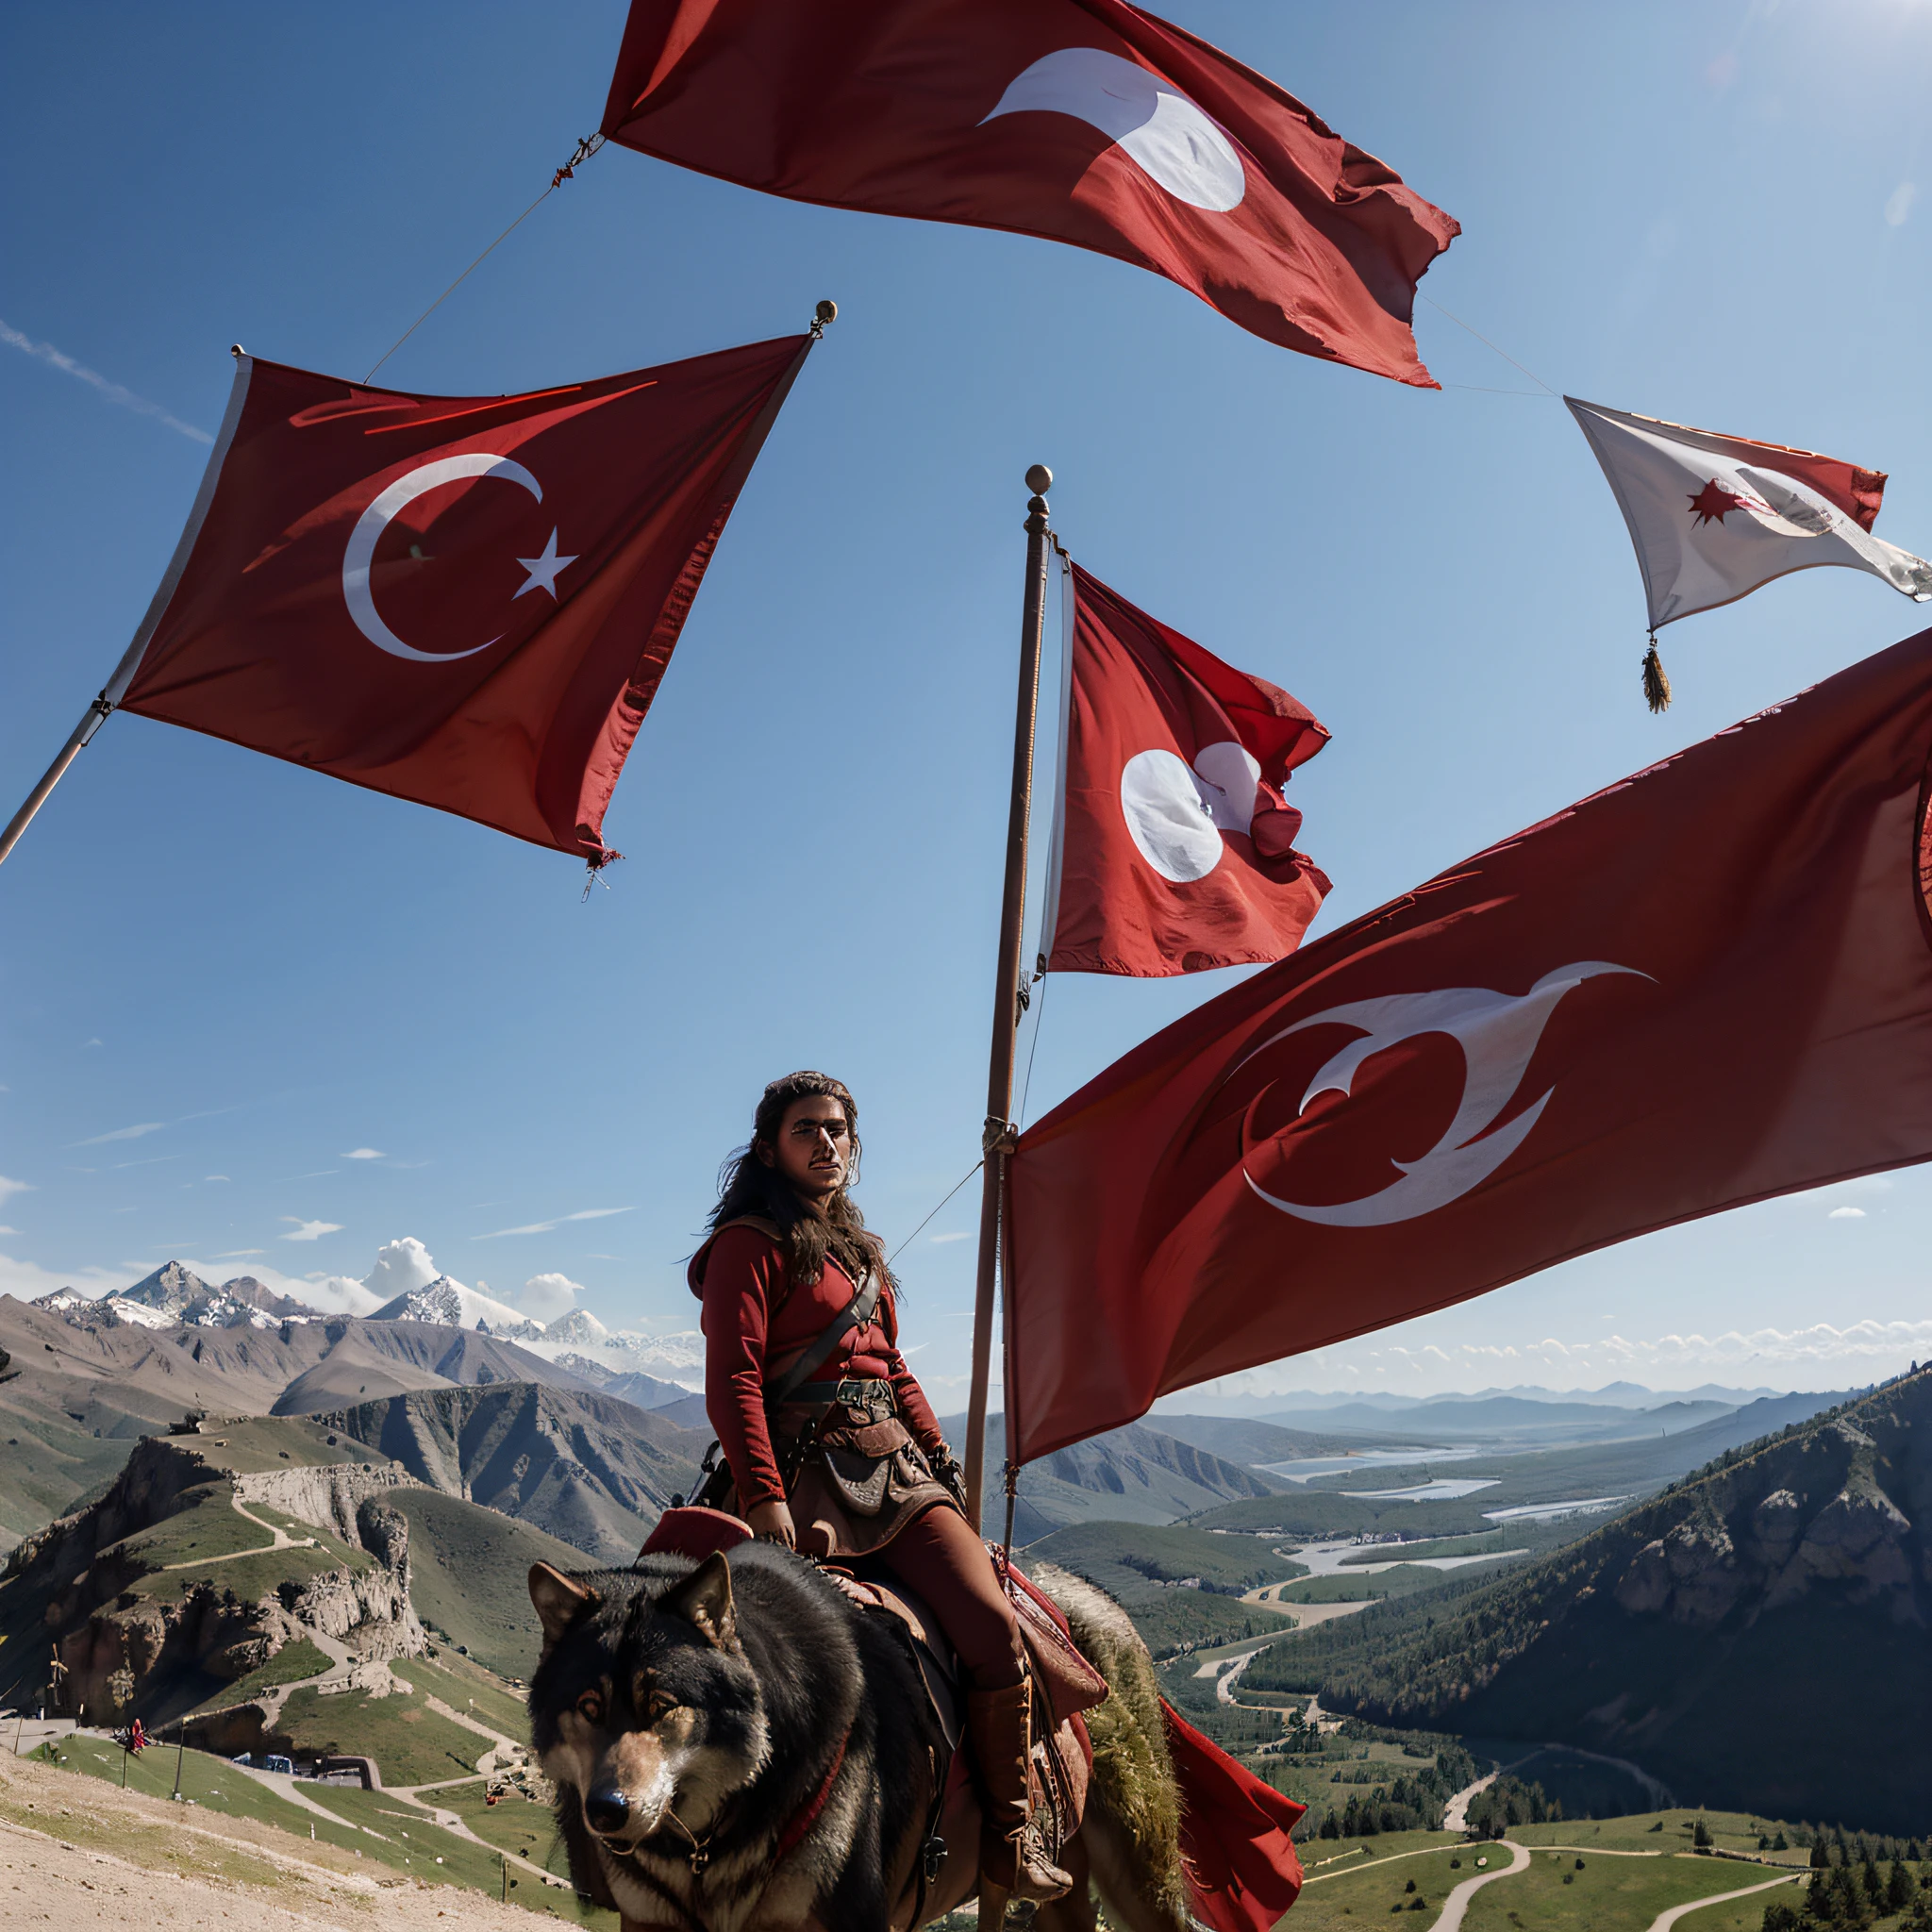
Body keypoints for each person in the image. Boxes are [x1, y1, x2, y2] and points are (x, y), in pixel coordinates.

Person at [690, 1070, 1069, 1907]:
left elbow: (892, 1370)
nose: (826, 1142)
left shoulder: (861, 1254)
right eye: (806, 1130)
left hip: (894, 1476)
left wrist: (941, 1463)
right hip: (795, 1478)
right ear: (768, 1148)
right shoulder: (749, 1246)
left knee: (991, 1626)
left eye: (837, 1130)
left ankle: (1007, 1838)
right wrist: (762, 1496)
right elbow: (735, 1381)